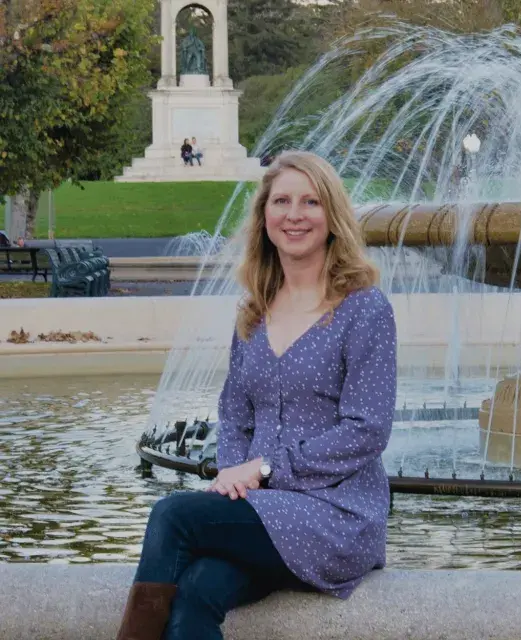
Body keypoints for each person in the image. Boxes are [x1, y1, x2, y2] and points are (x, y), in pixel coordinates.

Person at [116, 150, 398, 640]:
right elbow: (235, 416)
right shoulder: (255, 312)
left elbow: (367, 430)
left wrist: (265, 470)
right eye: (282, 201)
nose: (294, 215)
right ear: (264, 216)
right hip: (262, 512)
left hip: (335, 515)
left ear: (332, 217)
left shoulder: (364, 309)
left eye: (310, 202)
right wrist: (233, 480)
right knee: (194, 597)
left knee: (173, 515)